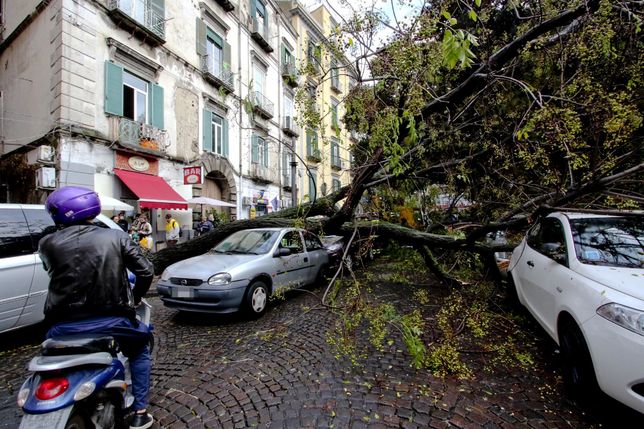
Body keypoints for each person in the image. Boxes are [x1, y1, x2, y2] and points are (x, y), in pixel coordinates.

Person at [38, 186, 155, 429]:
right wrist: (135, 297)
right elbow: (146, 270)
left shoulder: (47, 243)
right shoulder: (116, 237)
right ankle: (140, 411)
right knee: (140, 348)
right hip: (112, 320)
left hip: (61, 326)